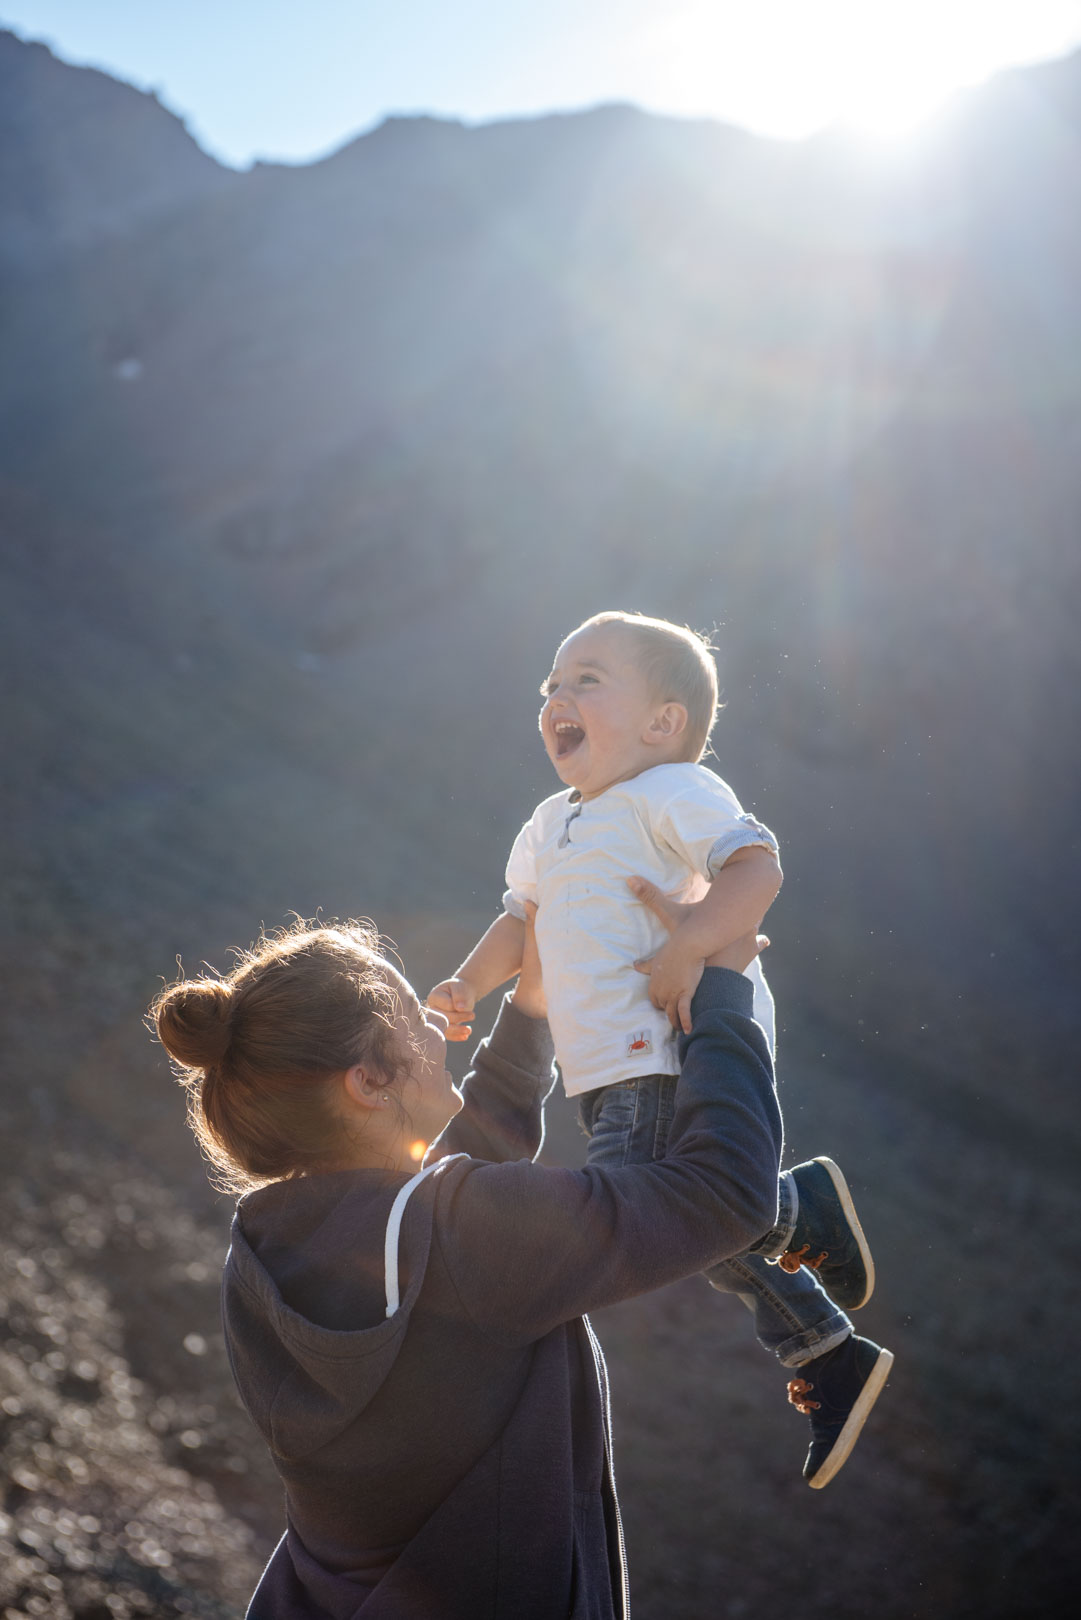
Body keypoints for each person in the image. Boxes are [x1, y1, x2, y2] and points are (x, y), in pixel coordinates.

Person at [152, 900, 782, 1619]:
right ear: (366, 1081)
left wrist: (531, 1009)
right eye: (406, 1016)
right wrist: (724, 998)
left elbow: (441, 1240)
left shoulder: (261, 1259)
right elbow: (723, 1193)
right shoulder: (460, 1236)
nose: (431, 1022)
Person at [428, 610, 893, 1488]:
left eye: (586, 680)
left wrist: (688, 946)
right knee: (688, 1216)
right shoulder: (549, 822)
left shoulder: (675, 790)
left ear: (662, 722)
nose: (557, 699)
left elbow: (757, 869)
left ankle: (810, 1275)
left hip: (664, 1038)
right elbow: (517, 921)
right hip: (597, 1067)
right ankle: (807, 1265)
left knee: (652, 1209)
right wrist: (466, 983)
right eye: (550, 687)